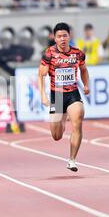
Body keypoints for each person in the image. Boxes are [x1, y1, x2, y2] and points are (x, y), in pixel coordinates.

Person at [38, 22, 90, 172]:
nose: (62, 39)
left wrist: (86, 85)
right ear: (54, 38)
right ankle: (62, 116)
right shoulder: (49, 54)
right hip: (57, 97)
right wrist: (43, 96)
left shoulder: (77, 53)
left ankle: (72, 160)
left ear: (69, 36)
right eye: (59, 36)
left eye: (65, 36)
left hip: (73, 93)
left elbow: (84, 70)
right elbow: (40, 76)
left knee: (78, 120)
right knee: (56, 135)